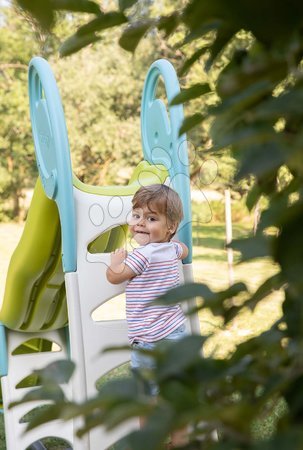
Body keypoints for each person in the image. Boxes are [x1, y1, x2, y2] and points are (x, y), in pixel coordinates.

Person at [106, 184, 189, 448]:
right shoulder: (171, 250)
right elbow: (184, 250)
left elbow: (114, 277)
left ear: (170, 226)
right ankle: (179, 442)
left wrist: (116, 262)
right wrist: (174, 241)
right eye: (137, 216)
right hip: (176, 335)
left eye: (151, 219)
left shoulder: (142, 255)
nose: (141, 224)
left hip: (148, 341)